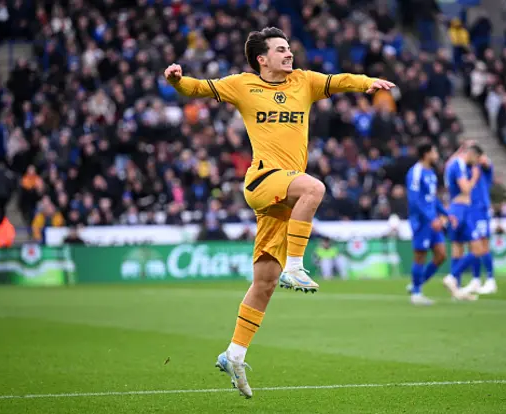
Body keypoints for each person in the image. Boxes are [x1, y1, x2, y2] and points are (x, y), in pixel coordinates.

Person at [164, 27, 395, 398]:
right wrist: (176, 81)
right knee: (315, 187)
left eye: (289, 49)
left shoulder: (304, 82)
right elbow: (198, 89)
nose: (290, 55)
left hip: (283, 197)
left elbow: (341, 80)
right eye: (282, 50)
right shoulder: (242, 85)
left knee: (264, 283)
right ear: (262, 58)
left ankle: (234, 353)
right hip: (262, 180)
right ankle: (296, 267)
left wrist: (368, 82)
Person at [405, 142, 449, 305]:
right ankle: (416, 294)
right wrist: (432, 219)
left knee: (441, 255)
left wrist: (446, 214)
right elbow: (414, 200)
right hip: (422, 221)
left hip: (433, 220)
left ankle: (417, 284)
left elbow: (432, 198)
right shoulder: (416, 172)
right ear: (426, 153)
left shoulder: (431, 173)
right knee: (420, 256)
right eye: (434, 151)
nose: (437, 154)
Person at [443, 144, 483, 301]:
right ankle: (452, 277)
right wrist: (474, 177)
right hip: (461, 209)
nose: (476, 163)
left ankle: (456, 291)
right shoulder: (459, 164)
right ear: (472, 154)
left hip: (455, 208)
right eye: (477, 158)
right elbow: (466, 189)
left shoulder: (453, 163)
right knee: (478, 248)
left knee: (457, 249)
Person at [460, 151, 497, 295]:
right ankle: (475, 280)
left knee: (483, 244)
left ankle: (490, 280)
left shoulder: (482, 168)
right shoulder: (466, 170)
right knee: (473, 246)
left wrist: (481, 157)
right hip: (469, 210)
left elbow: (487, 162)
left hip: (481, 210)